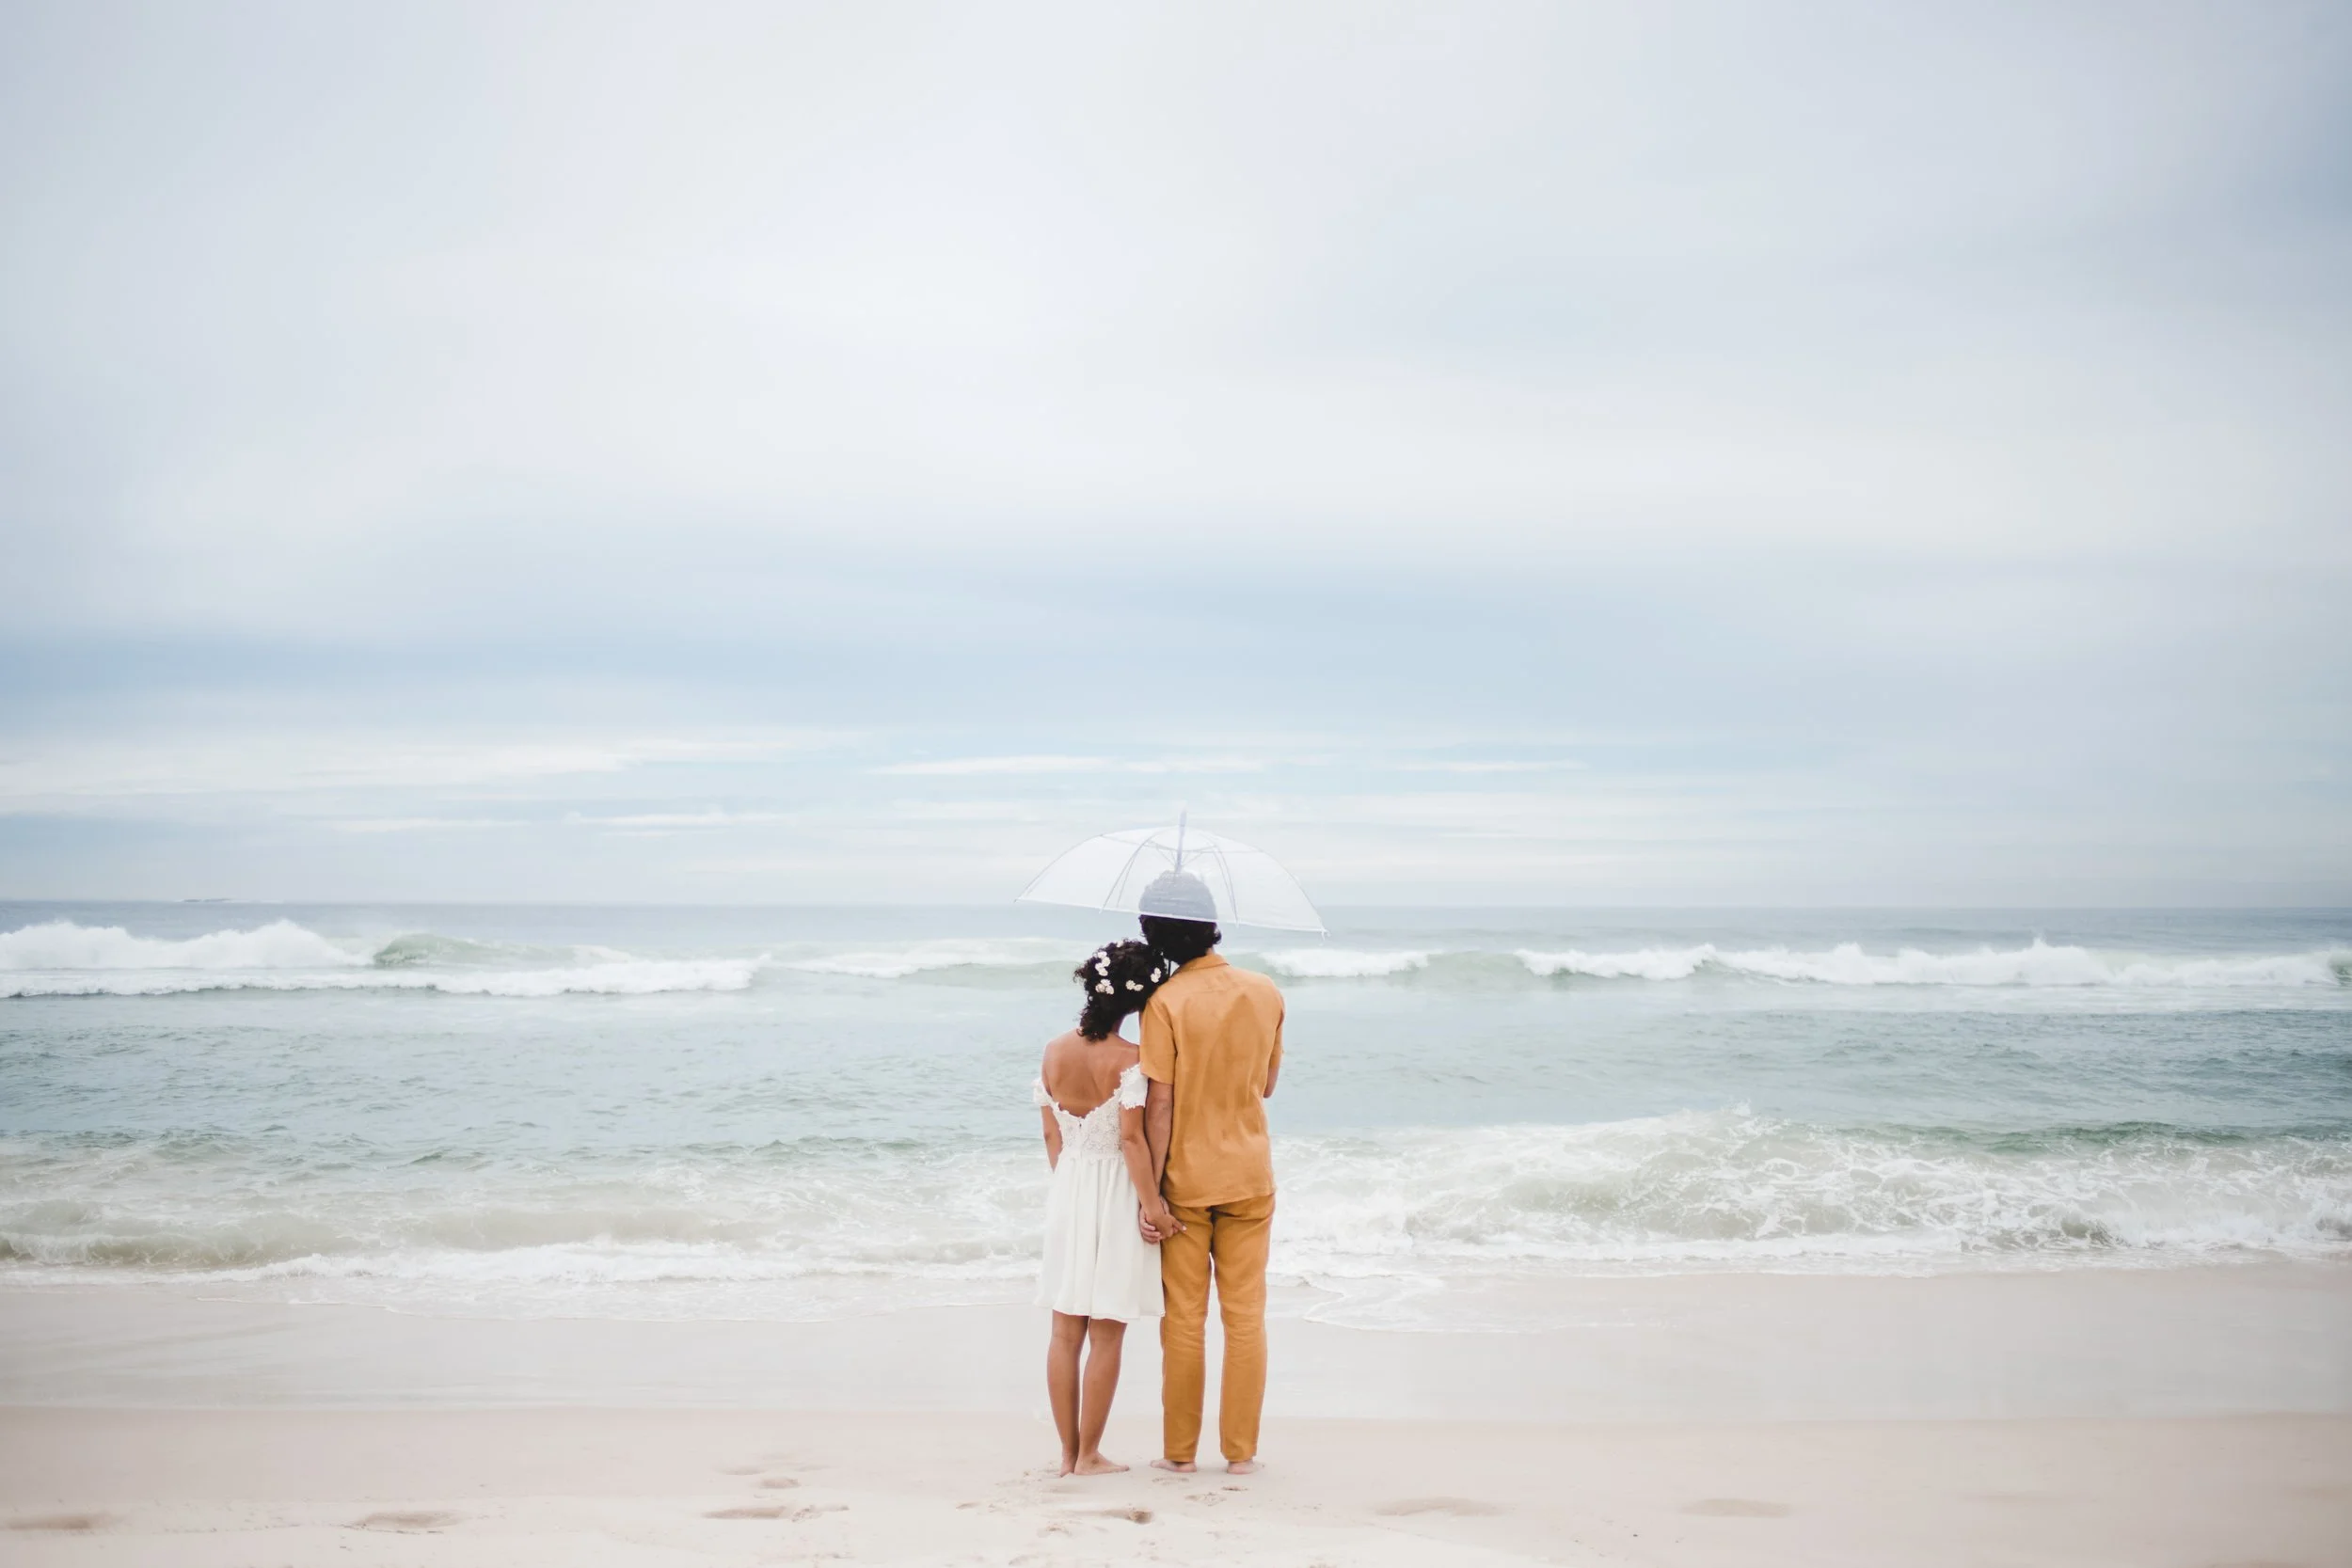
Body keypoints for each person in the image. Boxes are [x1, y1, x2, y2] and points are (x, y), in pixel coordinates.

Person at [1135, 870, 1286, 1475]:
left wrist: (1151, 1193)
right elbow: (1267, 1086)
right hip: (1249, 1174)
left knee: (1184, 1320)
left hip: (1185, 1182)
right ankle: (1241, 1455)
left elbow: (1160, 1104)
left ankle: (1179, 1455)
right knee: (1245, 1317)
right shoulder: (1265, 990)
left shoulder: (1164, 1003)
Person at [1032, 939, 1184, 1477]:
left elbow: (1051, 1135)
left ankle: (1067, 1455)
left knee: (1064, 1330)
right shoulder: (1132, 1059)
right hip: (1117, 1190)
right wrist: (1153, 1207)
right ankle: (1090, 1455)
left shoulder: (1053, 1050)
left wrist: (1071, 1187)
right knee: (1107, 1330)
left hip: (1069, 1187)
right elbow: (1133, 1141)